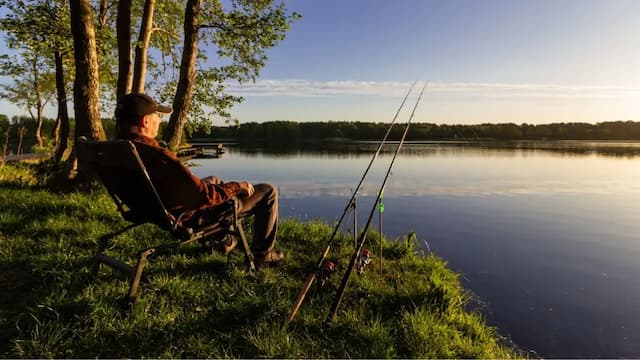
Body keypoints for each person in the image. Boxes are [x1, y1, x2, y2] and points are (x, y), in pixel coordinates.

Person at [115, 92, 283, 268]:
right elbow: (205, 197)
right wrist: (237, 186)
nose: (160, 120)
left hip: (151, 209)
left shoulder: (119, 151)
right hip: (187, 216)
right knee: (268, 191)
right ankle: (262, 256)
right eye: (157, 115)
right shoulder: (158, 157)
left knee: (214, 180)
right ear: (145, 121)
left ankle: (225, 241)